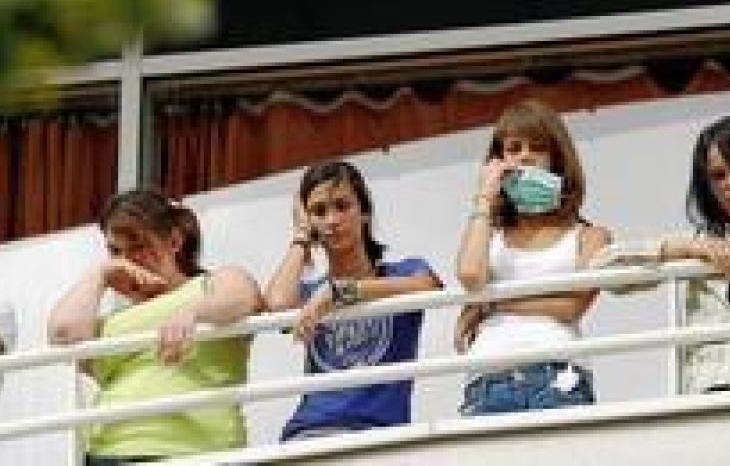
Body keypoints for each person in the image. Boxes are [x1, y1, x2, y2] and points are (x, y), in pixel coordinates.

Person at [47, 190, 263, 465]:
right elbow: (64, 334)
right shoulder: (110, 320)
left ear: (174, 241)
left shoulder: (210, 284)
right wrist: (99, 275)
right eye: (115, 251)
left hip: (194, 452)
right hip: (106, 453)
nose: (126, 260)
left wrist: (192, 312)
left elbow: (245, 299)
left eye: (138, 245)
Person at [265, 161, 442, 441]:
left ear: (364, 212)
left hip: (377, 434)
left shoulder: (402, 272)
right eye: (319, 211)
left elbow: (429, 286)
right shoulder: (312, 292)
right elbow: (276, 304)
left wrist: (341, 292)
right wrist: (301, 237)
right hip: (308, 433)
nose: (332, 220)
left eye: (342, 206)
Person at [455, 99, 611, 416]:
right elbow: (470, 276)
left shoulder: (591, 236)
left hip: (558, 375)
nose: (525, 156)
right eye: (513, 149)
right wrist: (485, 197)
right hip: (488, 378)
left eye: (537, 148)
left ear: (557, 159)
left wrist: (492, 302)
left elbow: (570, 307)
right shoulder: (491, 235)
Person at [660, 116, 730, 393]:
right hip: (710, 389)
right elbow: (606, 262)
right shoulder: (702, 243)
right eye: (718, 175)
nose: (728, 183)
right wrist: (688, 248)